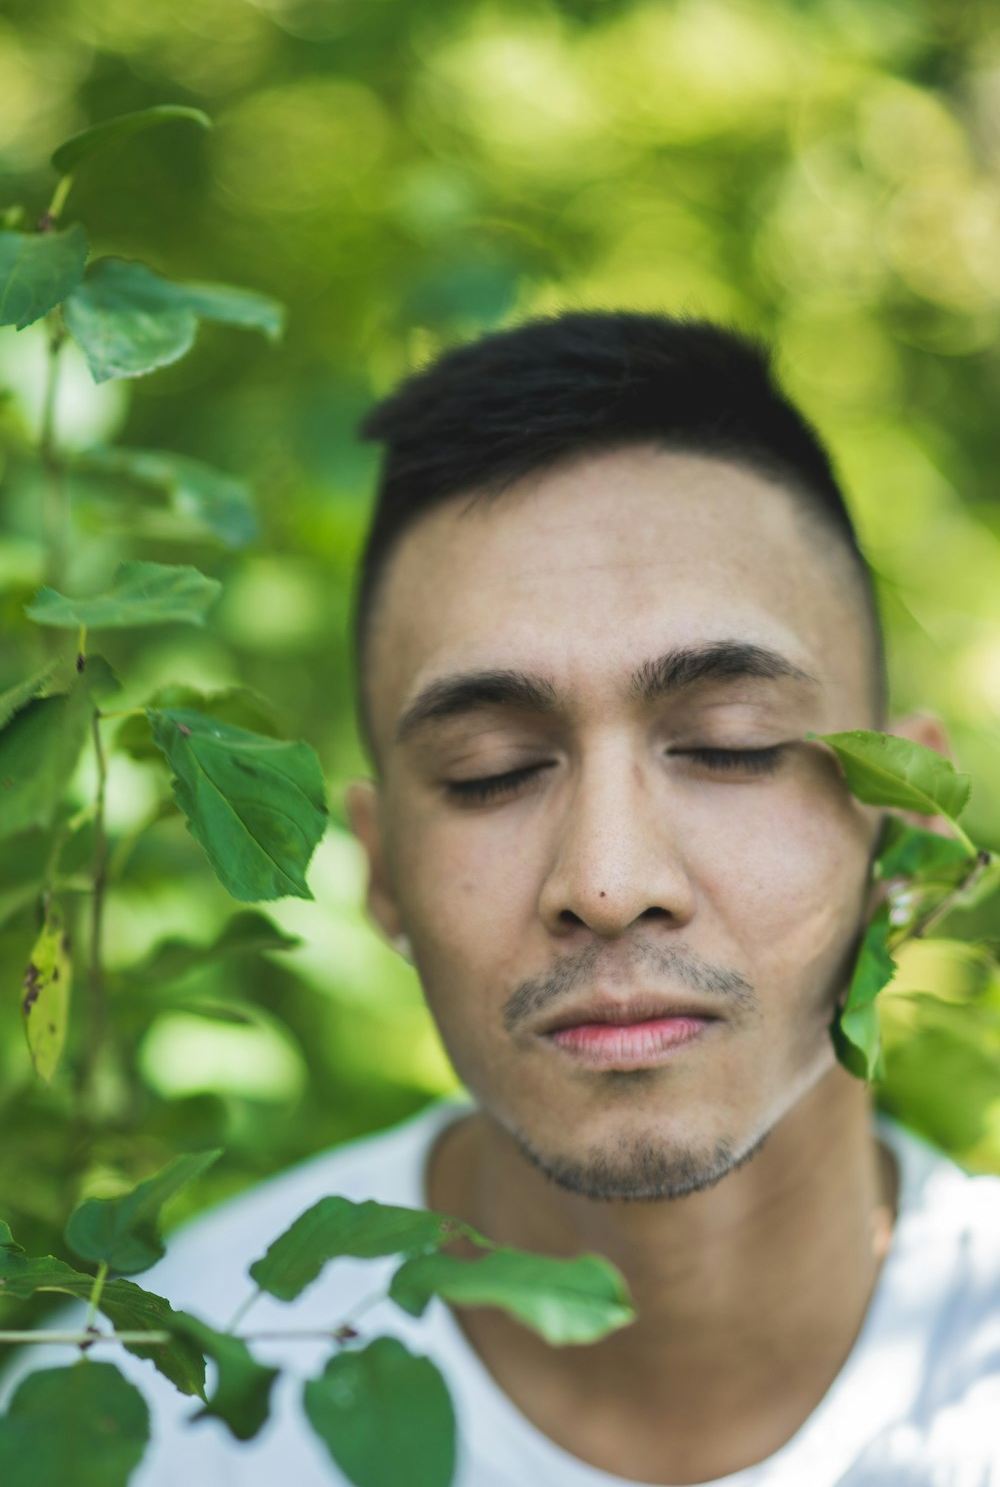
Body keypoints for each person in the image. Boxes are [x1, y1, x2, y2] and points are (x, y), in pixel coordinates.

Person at [6, 312, 1000, 1485]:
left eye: (730, 746)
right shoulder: (149, 1414)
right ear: (381, 874)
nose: (609, 883)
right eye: (494, 770)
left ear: (909, 817)